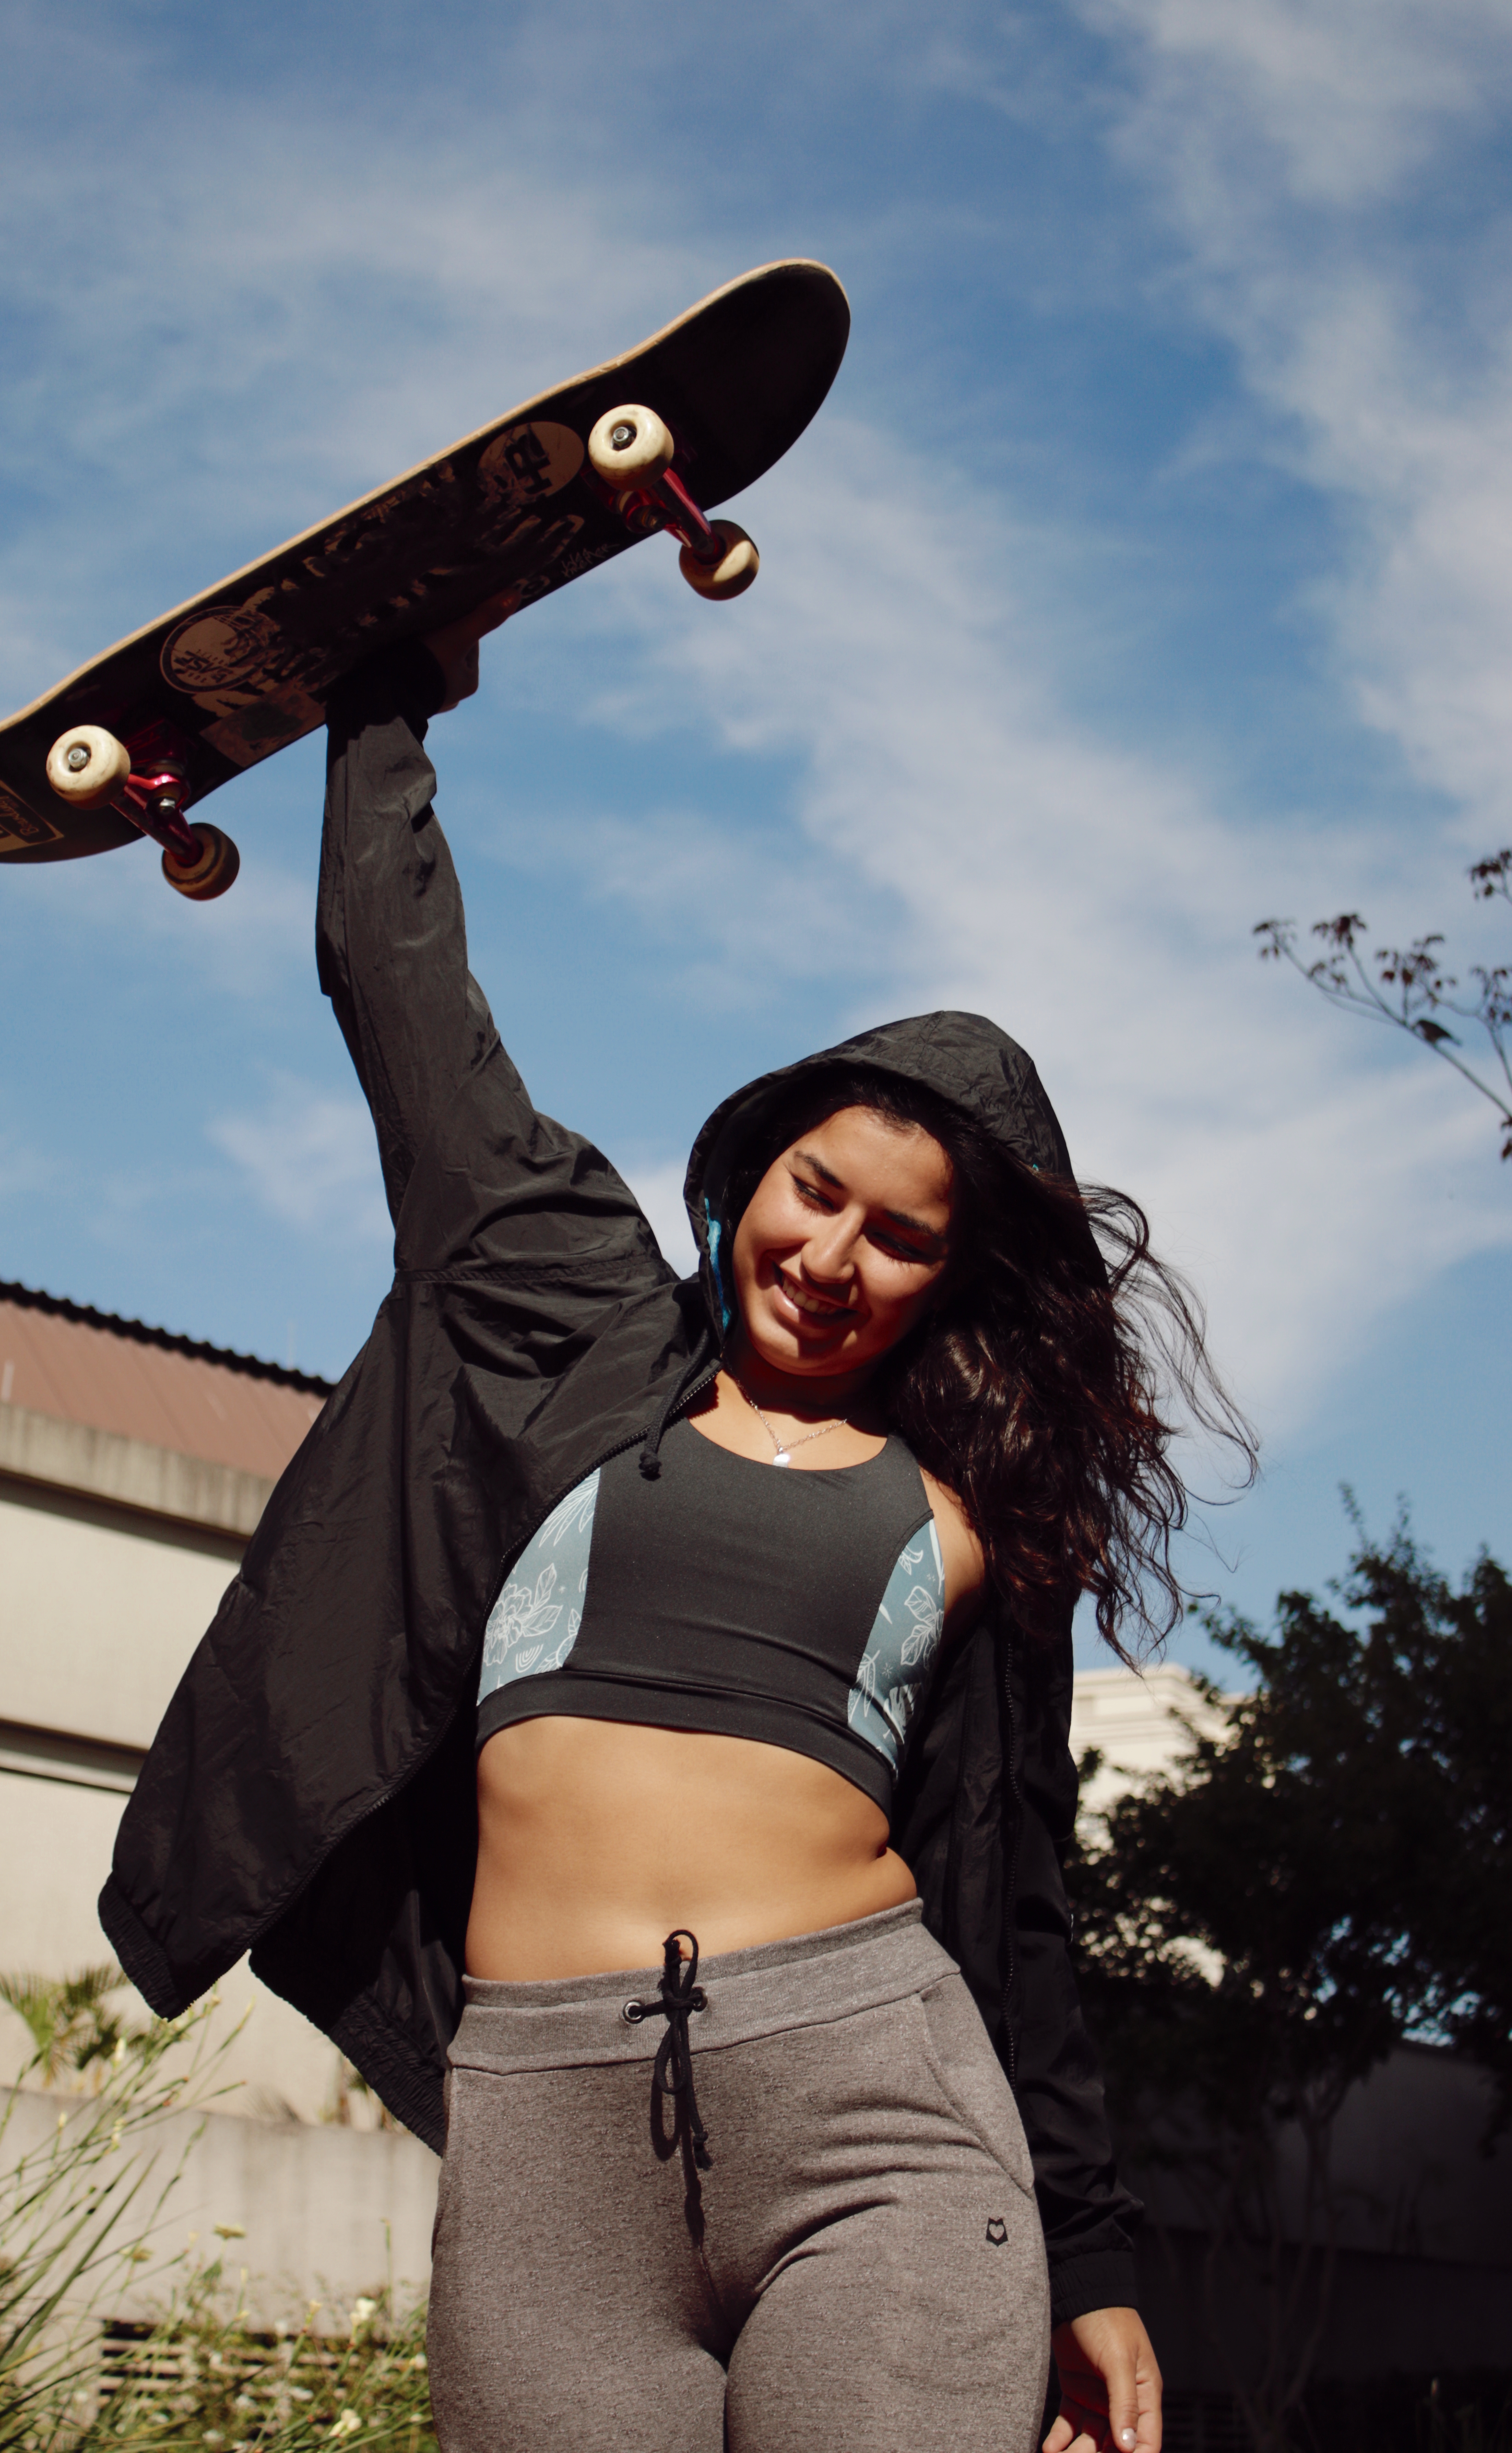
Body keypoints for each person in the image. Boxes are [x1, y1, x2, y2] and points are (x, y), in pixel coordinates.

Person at [102, 597, 1250, 2452]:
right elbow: (408, 1008)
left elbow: (1024, 1912)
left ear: (951, 1283)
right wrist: (381, 694)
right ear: (755, 1174)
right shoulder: (569, 1324)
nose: (832, 1256)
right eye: (816, 1193)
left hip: (881, 2115)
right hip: (546, 2128)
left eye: (899, 1237)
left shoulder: (966, 1522)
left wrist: (1093, 2249)